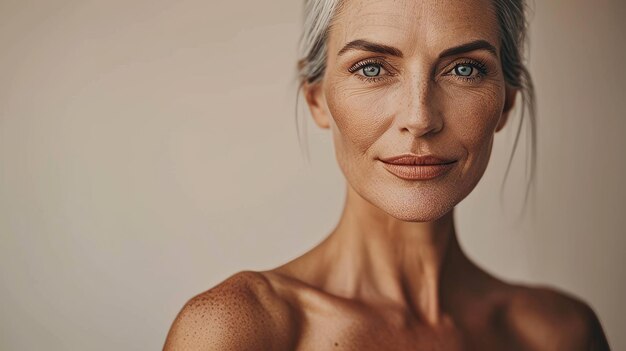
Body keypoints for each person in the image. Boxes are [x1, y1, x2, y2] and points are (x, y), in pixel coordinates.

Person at [163, 0, 612, 349]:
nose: (419, 118)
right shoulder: (235, 331)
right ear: (317, 98)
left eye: (464, 68)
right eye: (373, 68)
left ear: (506, 102)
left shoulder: (561, 335)